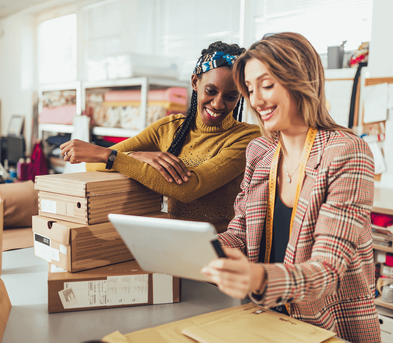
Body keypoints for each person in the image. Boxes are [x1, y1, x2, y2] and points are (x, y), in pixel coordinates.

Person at [201, 33, 381, 342]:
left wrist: (257, 278)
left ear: (299, 79)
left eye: (267, 85)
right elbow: (240, 234)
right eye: (250, 89)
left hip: (328, 328)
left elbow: (326, 271)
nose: (256, 101)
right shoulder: (260, 152)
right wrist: (201, 249)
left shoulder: (346, 152)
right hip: (265, 320)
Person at [60, 41, 261, 233]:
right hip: (171, 244)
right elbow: (93, 163)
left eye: (231, 96)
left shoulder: (247, 138)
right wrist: (136, 155)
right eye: (211, 91)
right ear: (195, 82)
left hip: (220, 249)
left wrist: (114, 157)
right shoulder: (169, 127)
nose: (218, 104)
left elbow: (190, 188)